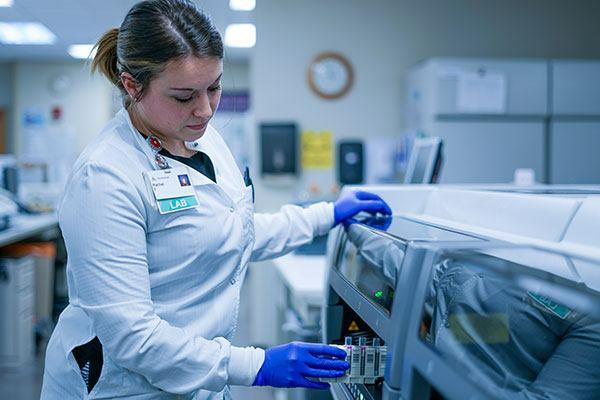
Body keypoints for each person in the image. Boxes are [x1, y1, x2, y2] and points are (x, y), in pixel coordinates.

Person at [40, 1, 392, 399]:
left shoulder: (202, 138)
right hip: (126, 387)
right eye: (184, 95)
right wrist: (256, 365)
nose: (205, 109)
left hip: (200, 379)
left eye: (214, 87)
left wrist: (325, 216)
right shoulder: (104, 178)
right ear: (131, 85)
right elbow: (132, 336)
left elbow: (231, 232)